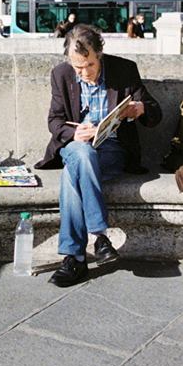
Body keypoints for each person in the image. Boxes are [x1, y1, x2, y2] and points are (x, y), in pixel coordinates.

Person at [35, 24, 162, 286]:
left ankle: (74, 259)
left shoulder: (124, 70)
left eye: (89, 65)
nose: (83, 73)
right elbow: (54, 121)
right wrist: (74, 134)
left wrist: (138, 108)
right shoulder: (61, 74)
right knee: (81, 153)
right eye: (77, 67)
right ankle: (99, 235)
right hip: (76, 146)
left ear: (100, 54)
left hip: (112, 148)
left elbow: (154, 113)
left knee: (72, 177)